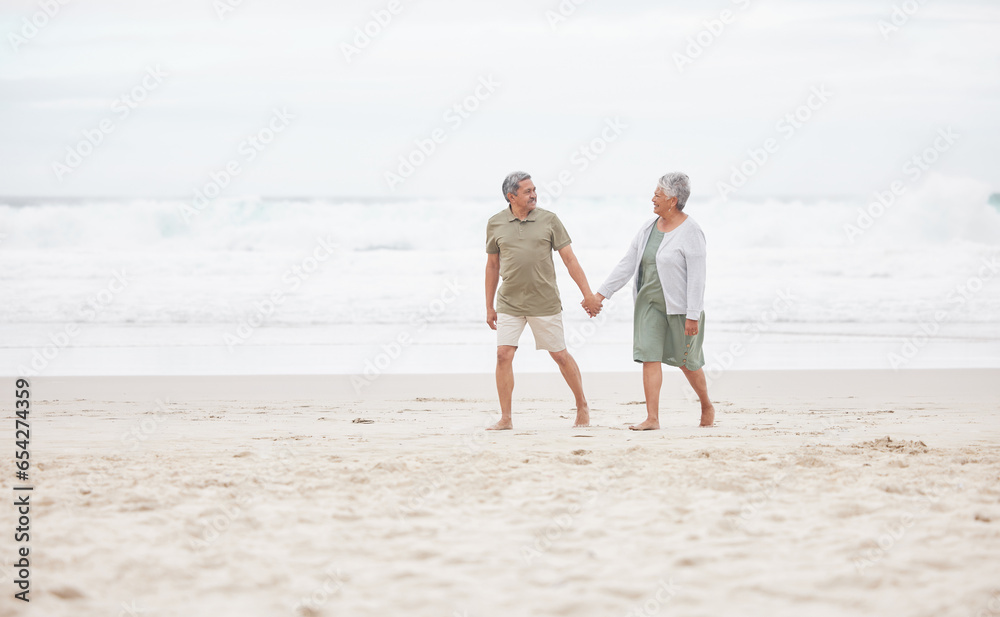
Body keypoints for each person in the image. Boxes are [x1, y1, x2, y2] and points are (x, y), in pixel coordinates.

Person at [589, 172, 715, 430]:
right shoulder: (648, 228)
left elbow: (698, 278)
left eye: (658, 194)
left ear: (673, 199)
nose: (653, 198)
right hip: (648, 304)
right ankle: (652, 418)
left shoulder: (692, 232)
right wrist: (601, 295)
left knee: (687, 363)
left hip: (680, 309)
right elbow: (627, 263)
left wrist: (693, 314)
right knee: (649, 356)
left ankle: (706, 404)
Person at [485, 171, 600, 430]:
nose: (534, 194)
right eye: (527, 191)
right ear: (511, 196)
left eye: (534, 189)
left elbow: (569, 259)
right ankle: (506, 418)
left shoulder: (550, 220)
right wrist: (489, 305)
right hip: (509, 302)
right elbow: (492, 266)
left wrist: (588, 295)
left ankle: (582, 405)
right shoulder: (495, 223)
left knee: (559, 355)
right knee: (503, 355)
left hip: (544, 301)